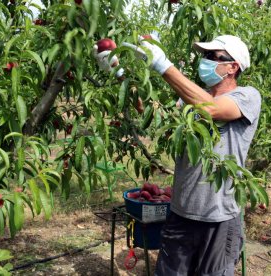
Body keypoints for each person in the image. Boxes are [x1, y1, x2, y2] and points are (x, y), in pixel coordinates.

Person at [93, 34, 261, 275]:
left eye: (212, 56)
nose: (204, 61)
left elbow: (211, 109)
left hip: (220, 219)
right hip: (181, 214)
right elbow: (151, 110)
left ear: (233, 67)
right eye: (204, 56)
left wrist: (163, 64)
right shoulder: (189, 101)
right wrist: (119, 73)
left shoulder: (247, 96)